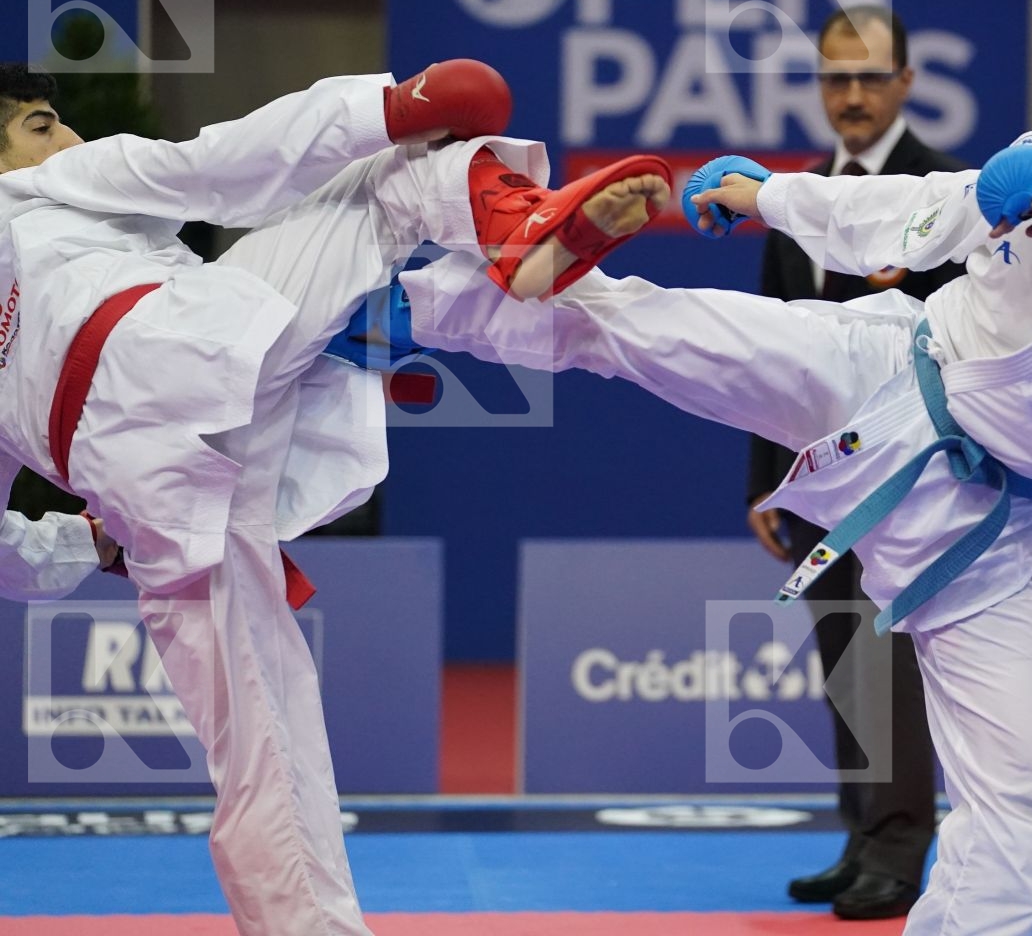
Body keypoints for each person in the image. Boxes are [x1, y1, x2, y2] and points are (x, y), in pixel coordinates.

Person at [397, 0, 1032, 936]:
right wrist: (768, 195)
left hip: (998, 534)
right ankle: (402, 310)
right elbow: (912, 210)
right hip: (890, 374)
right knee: (648, 325)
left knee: (1016, 819)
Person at [0, 60, 668, 935]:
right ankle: (505, 231)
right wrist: (385, 107)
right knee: (388, 179)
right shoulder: (49, 188)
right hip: (183, 356)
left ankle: (519, 235)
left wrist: (84, 545)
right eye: (43, 123)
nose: (70, 139)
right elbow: (224, 164)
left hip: (151, 477)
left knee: (260, 749)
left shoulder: (75, 207)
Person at [747, 5, 951, 920]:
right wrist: (766, 479)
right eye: (837, 78)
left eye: (871, 77)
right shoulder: (793, 201)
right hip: (820, 484)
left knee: (895, 664)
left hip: (914, 478)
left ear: (906, 82)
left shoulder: (948, 192)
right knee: (844, 662)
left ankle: (902, 847)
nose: (854, 95)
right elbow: (769, 353)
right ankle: (861, 832)